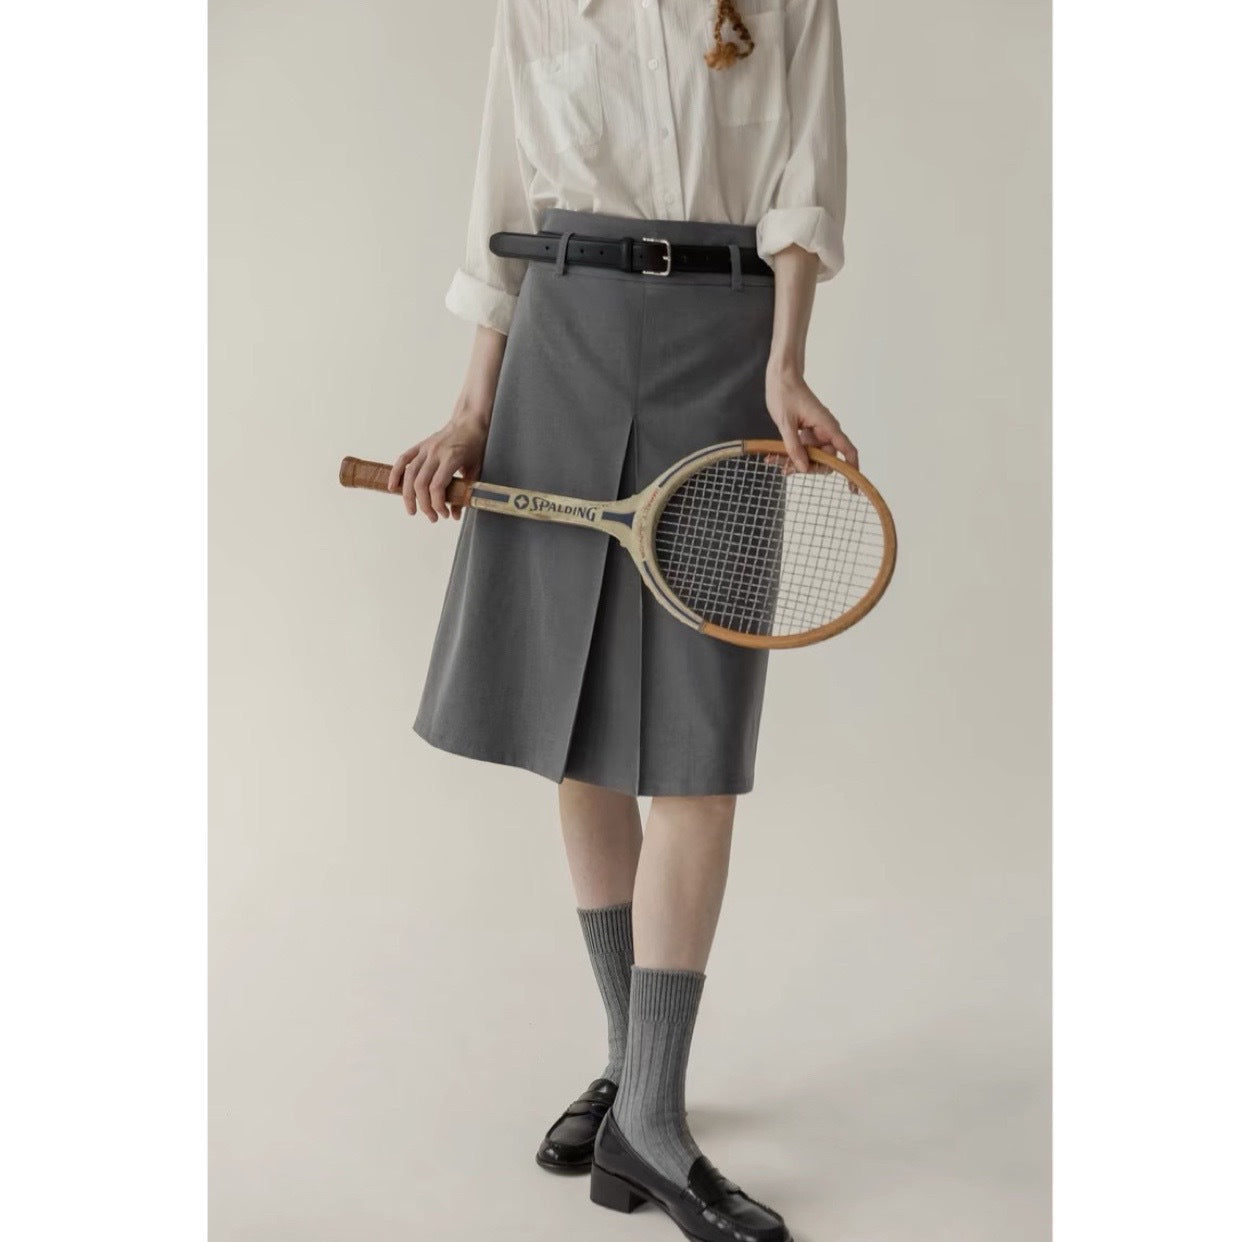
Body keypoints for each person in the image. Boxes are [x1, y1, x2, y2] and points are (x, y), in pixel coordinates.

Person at [388, 2, 856, 1237]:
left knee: (697, 745)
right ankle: (632, 1078)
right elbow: (501, 211)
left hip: (726, 351)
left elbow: (803, 188)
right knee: (580, 721)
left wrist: (786, 362)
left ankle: (649, 1120)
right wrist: (470, 412)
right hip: (562, 345)